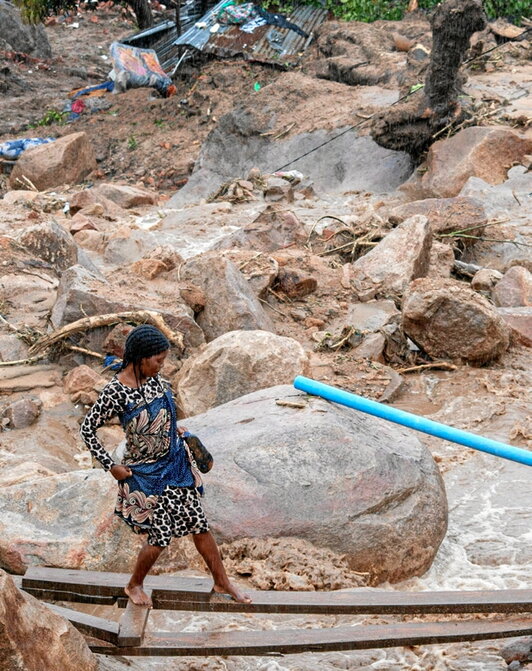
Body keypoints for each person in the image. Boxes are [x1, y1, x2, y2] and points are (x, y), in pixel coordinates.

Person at [80, 324, 251, 607]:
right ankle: (134, 585)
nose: (162, 366)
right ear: (140, 358)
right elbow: (87, 429)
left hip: (176, 466)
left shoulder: (159, 382)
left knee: (200, 526)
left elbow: (167, 416)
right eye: (158, 360)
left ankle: (221, 581)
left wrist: (180, 433)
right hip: (147, 475)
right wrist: (111, 465)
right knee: (159, 536)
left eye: (164, 360)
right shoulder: (116, 392)